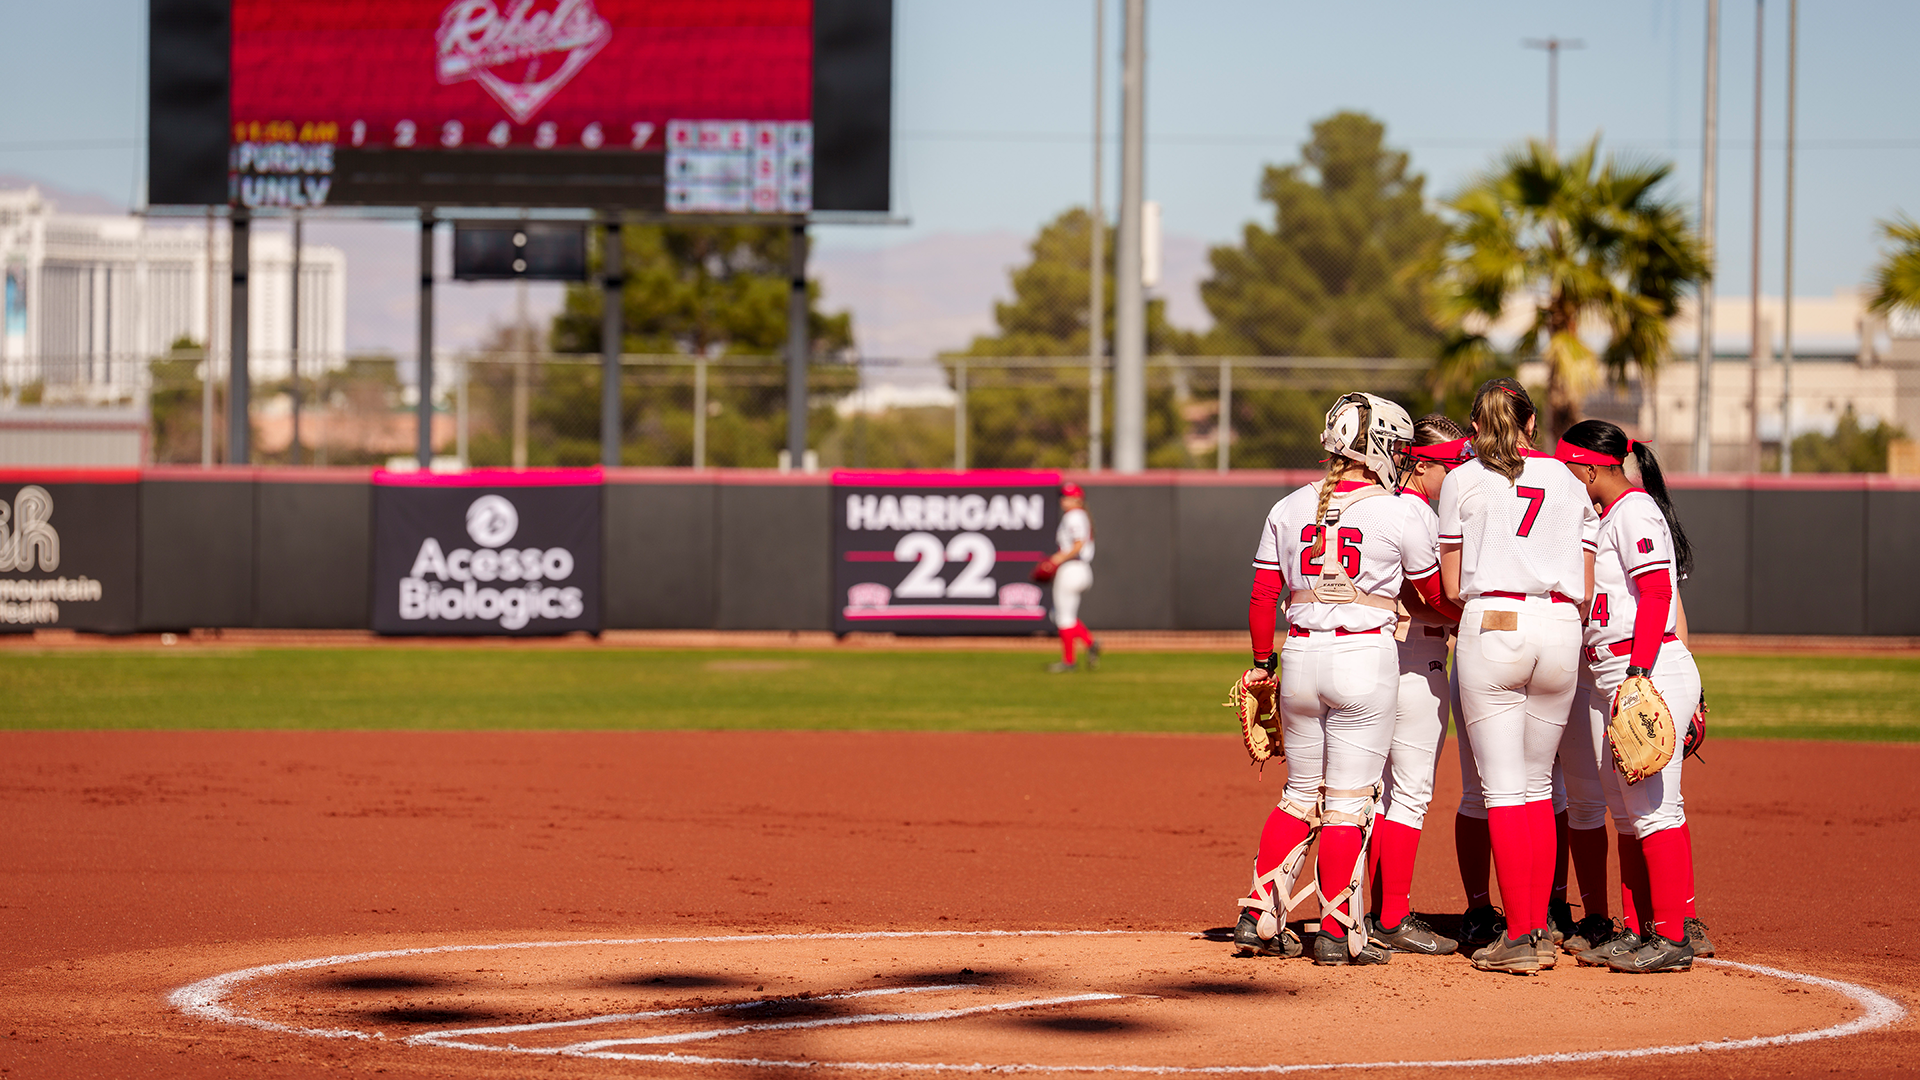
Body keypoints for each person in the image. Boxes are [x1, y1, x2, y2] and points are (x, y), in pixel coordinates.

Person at [1233, 393, 1461, 965]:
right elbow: (1432, 594)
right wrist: (1472, 616)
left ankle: (1259, 914)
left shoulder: (1287, 507)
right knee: (1349, 801)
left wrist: (1263, 664)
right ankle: (1336, 931)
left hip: (1300, 657)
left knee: (1298, 794)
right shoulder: (1400, 510)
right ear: (1379, 445)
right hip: (1364, 656)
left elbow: (1264, 596)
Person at [1438, 377, 1597, 975]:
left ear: (1476, 427)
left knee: (1502, 790)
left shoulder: (1460, 479)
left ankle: (1523, 932)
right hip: (1560, 626)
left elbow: (1452, 585)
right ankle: (1541, 925)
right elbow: (1582, 574)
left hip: (1493, 623)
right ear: (1531, 423)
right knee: (1537, 787)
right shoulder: (1563, 475)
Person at [1555, 419, 1708, 973]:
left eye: (1573, 468)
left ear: (1592, 467)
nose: (1570, 477)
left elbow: (1658, 592)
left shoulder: (1636, 510)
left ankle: (1672, 937)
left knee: (1653, 810)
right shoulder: (1610, 515)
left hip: (1646, 666)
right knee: (1626, 812)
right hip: (1614, 670)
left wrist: (1639, 673)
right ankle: (1646, 927)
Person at [1365, 414, 1471, 956]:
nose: (1459, 473)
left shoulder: (1383, 507)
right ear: (1422, 462)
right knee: (1408, 794)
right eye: (1453, 463)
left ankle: (1371, 909)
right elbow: (1425, 595)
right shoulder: (1418, 515)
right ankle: (1392, 916)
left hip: (1382, 657)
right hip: (1418, 656)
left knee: (1376, 793)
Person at [1045, 483, 1099, 673]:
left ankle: (1069, 661)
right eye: (1063, 496)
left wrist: (1057, 559)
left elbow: (1078, 544)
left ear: (1078, 498)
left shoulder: (1073, 515)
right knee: (1062, 615)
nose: (1063, 500)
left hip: (1071, 568)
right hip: (1082, 570)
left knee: (1063, 618)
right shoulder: (1081, 515)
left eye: (1067, 496)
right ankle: (1090, 643)